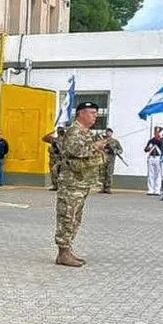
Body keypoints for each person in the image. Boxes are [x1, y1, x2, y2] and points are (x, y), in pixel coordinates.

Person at [55, 101, 106, 267]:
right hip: (71, 182)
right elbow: (74, 151)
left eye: (96, 113)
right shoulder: (74, 131)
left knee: (76, 217)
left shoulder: (86, 132)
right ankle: (63, 252)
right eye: (92, 113)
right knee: (67, 216)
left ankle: (67, 250)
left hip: (81, 182)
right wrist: (94, 147)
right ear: (81, 113)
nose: (95, 116)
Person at [99, 128, 122, 194]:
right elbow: (98, 148)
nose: (108, 133)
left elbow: (120, 150)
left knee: (109, 173)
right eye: (107, 132)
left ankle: (108, 188)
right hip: (103, 158)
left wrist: (115, 151)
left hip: (111, 159)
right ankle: (102, 188)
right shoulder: (102, 140)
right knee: (102, 174)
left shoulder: (115, 141)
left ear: (112, 133)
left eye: (109, 132)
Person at [144, 126, 163, 196]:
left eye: (158, 132)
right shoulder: (151, 140)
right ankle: (150, 189)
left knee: (158, 174)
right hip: (151, 157)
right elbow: (146, 150)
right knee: (151, 174)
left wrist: (158, 140)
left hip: (159, 158)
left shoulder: (162, 140)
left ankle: (157, 190)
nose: (156, 133)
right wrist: (148, 147)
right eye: (155, 132)